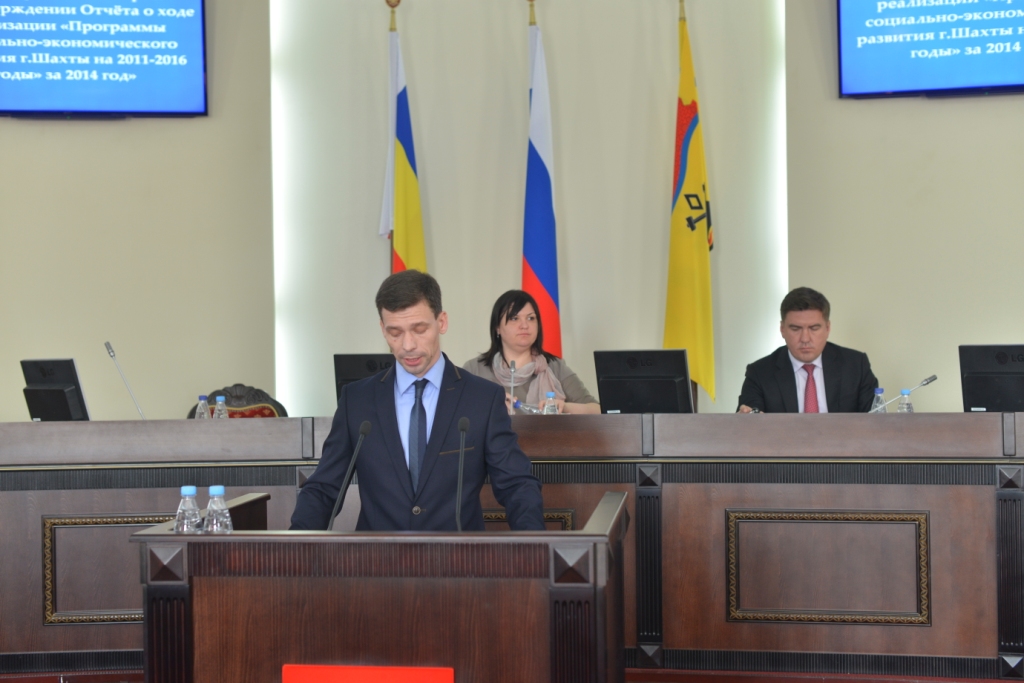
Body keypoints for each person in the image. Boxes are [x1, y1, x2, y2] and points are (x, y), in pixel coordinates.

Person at [290, 271, 545, 531]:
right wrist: (291, 546)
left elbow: (516, 485)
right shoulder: (357, 401)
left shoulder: (482, 398)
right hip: (377, 555)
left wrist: (535, 544)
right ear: (382, 329)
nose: (408, 345)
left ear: (441, 322)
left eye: (419, 329)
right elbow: (324, 489)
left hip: (458, 554)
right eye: (395, 332)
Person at [737, 287, 878, 413]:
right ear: (782, 329)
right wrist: (748, 416)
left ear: (828, 328)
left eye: (814, 328)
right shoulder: (760, 373)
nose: (805, 338)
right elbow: (749, 414)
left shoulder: (856, 365)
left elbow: (875, 419)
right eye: (795, 329)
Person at [462, 290, 600, 415]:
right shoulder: (474, 370)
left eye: (531, 318)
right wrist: (487, 407)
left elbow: (598, 410)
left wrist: (565, 407)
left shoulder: (555, 367)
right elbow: (457, 414)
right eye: (514, 318)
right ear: (497, 327)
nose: (525, 325)